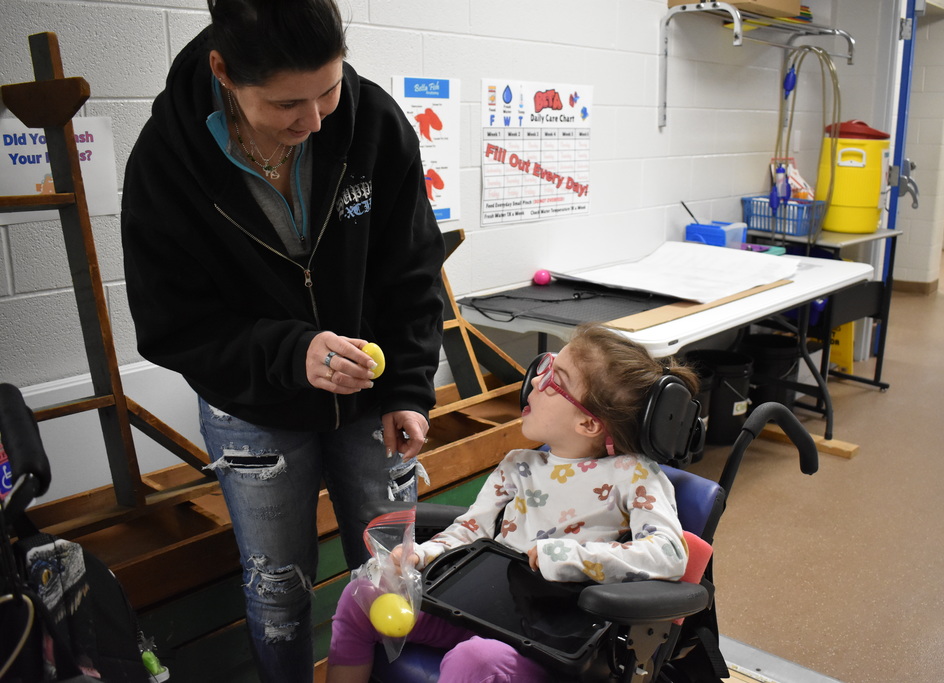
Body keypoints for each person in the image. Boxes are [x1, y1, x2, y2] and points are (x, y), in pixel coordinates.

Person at [119, 1, 445, 681]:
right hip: (254, 408)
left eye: (329, 87)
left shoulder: (374, 123)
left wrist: (411, 385)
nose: (316, 118)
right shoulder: (166, 162)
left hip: (368, 397)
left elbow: (412, 269)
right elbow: (171, 324)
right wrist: (289, 352)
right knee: (279, 592)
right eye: (288, 103)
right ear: (224, 72)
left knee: (392, 575)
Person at [326, 323, 698, 683]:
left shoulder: (632, 475)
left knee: (474, 661)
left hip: (545, 639)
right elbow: (471, 529)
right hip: (479, 609)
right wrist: (423, 554)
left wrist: (575, 557)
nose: (535, 380)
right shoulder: (519, 465)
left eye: (555, 381)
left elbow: (668, 552)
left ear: (588, 424)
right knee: (361, 596)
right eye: (546, 366)